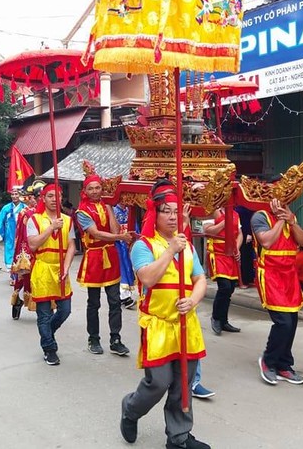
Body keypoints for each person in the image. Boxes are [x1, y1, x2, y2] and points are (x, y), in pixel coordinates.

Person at [120, 181, 209, 449]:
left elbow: (200, 278)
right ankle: (131, 409)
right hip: (158, 324)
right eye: (166, 211)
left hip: (186, 323)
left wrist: (193, 299)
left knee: (183, 382)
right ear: (154, 214)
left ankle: (179, 437)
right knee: (158, 383)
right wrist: (171, 249)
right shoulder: (143, 245)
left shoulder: (189, 247)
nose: (172, 216)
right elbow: (147, 278)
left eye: (175, 211)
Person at [252, 198, 303, 386]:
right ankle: (268, 361)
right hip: (271, 274)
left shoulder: (290, 217)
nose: (283, 204)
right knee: (283, 322)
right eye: (279, 199)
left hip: (289, 275)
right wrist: (281, 220)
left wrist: (292, 221)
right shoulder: (260, 217)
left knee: (292, 321)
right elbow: (266, 242)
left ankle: (284, 364)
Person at [75, 175, 132, 356]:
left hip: (111, 255)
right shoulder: (81, 212)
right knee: (94, 302)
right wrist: (120, 238)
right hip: (94, 257)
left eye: (97, 188)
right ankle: (94, 339)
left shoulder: (108, 206)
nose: (94, 191)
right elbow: (96, 234)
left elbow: (114, 229)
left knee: (115, 301)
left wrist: (108, 206)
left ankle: (115, 339)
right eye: (90, 188)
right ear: (84, 191)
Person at [27, 184, 76, 366]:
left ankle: (48, 333)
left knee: (65, 309)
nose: (54, 200)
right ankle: (49, 348)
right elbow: (33, 244)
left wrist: (66, 266)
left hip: (60, 269)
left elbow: (72, 245)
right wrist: (50, 228)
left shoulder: (68, 220)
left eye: (58, 196)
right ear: (43, 198)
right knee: (44, 314)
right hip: (42, 268)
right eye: (50, 196)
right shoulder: (34, 220)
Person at [204, 207, 243, 336]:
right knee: (224, 286)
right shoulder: (213, 210)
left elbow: (240, 233)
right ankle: (215, 317)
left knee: (231, 287)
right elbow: (208, 231)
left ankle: (223, 320)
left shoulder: (236, 214)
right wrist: (223, 222)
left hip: (231, 254)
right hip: (218, 253)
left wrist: (236, 248)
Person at [10, 183, 41, 319]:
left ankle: (46, 309)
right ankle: (17, 303)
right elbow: (21, 236)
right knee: (24, 279)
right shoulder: (26, 213)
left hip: (44, 250)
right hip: (28, 250)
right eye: (38, 197)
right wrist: (24, 255)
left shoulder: (46, 212)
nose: (39, 199)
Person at [0, 188, 25, 273]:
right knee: (9, 248)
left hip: (22, 233)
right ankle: (11, 271)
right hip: (10, 233)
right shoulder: (6, 208)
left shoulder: (25, 208)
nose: (14, 196)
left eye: (16, 194)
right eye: (12, 194)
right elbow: (0, 222)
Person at [114, 199, 137, 309]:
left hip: (128, 244)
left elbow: (134, 227)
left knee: (128, 268)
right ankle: (124, 296)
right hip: (118, 244)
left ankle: (125, 294)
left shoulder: (129, 211)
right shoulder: (114, 211)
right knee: (121, 268)